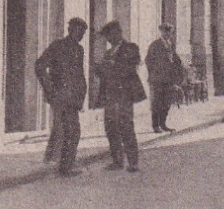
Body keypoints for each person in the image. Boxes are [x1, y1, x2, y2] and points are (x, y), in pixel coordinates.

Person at [35, 18, 88, 177]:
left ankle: (61, 164)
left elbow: (79, 74)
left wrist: (81, 93)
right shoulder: (57, 46)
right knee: (72, 130)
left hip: (73, 97)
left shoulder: (79, 49)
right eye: (80, 31)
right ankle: (65, 167)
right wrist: (50, 89)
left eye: (84, 33)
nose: (82, 35)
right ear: (72, 29)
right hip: (61, 96)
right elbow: (40, 65)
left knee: (66, 130)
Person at [95, 20, 146, 172]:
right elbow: (105, 75)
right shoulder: (108, 53)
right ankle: (117, 161)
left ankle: (133, 162)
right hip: (110, 95)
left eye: (109, 35)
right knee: (111, 127)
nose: (108, 39)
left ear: (118, 33)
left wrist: (112, 66)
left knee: (126, 127)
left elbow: (131, 67)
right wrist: (99, 70)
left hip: (124, 94)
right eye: (106, 37)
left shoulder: (131, 48)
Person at [145, 23, 184, 133]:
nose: (168, 35)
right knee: (156, 102)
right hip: (157, 79)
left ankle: (163, 124)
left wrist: (178, 67)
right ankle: (155, 126)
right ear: (161, 32)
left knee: (166, 102)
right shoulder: (155, 45)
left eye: (169, 33)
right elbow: (148, 60)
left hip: (168, 79)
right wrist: (154, 72)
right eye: (165, 32)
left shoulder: (170, 45)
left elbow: (176, 59)